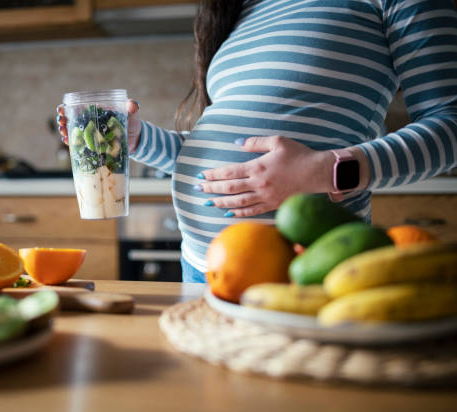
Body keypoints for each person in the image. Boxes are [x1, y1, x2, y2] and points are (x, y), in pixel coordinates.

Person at [58, 0, 457, 283]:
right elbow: (231, 156)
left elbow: (450, 126)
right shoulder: (245, 7)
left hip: (304, 267)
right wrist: (139, 139)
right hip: (202, 266)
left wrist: (326, 171)